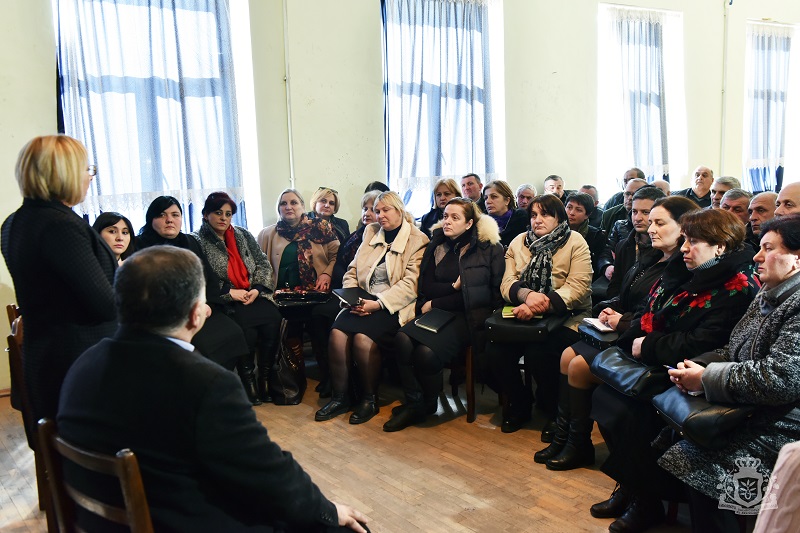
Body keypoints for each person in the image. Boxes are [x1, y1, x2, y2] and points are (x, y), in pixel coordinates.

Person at [56, 246, 369, 532]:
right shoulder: (206, 383)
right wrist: (328, 510)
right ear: (196, 313)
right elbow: (266, 474)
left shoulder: (82, 365)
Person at [590, 208, 760, 533]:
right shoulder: (689, 271)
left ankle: (646, 500)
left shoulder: (735, 286)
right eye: (684, 240)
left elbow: (704, 341)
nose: (684, 249)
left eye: (692, 242)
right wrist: (639, 338)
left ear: (720, 246)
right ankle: (632, 487)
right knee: (604, 396)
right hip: (663, 360)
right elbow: (653, 311)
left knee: (631, 412)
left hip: (690, 370)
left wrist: (648, 345)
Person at [658, 215, 800, 533]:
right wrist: (697, 366)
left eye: (768, 248)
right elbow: (735, 348)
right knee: (680, 437)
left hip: (786, 426)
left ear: (797, 258)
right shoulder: (770, 292)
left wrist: (707, 378)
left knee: (699, 459)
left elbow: (782, 379)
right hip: (755, 410)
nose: (757, 256)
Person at [536, 196, 697, 471]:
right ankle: (565, 436)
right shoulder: (651, 256)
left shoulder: (682, 267)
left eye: (659, 222)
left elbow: (658, 317)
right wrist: (611, 309)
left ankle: (577, 443)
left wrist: (622, 321)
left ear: (683, 227)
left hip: (640, 340)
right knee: (566, 356)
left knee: (577, 366)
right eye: (648, 220)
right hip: (626, 328)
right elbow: (629, 296)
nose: (649, 227)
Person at [1, 135, 117, 426]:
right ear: (64, 173)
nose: (90, 177)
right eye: (86, 169)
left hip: (47, 357)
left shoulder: (15, 221)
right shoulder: (59, 226)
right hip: (78, 362)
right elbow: (104, 305)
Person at [383, 197, 504, 432]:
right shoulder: (437, 244)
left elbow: (480, 296)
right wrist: (452, 287)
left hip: (469, 316)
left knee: (426, 353)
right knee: (402, 338)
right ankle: (416, 403)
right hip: (437, 311)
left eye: (455, 217)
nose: (447, 221)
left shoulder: (488, 248)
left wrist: (437, 301)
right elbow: (426, 286)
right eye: (446, 216)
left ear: (469, 223)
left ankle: (426, 403)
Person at [315, 191, 429, 425]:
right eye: (377, 211)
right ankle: (340, 397)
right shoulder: (371, 232)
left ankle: (370, 400)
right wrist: (350, 296)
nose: (380, 215)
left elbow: (410, 285)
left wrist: (378, 304)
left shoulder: (418, 240)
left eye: (386, 210)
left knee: (362, 339)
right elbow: (352, 270)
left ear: (400, 210)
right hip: (361, 299)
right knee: (337, 335)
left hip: (392, 305)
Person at [487, 194, 592, 434]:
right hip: (525, 314)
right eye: (533, 215)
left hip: (567, 314)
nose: (537, 220)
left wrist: (539, 305)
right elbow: (507, 282)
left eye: (545, 214)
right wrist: (526, 296)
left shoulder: (575, 241)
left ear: (559, 218)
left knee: (541, 353)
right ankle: (521, 403)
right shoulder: (519, 242)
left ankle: (553, 409)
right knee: (495, 351)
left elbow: (578, 287)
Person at [137, 196, 251, 375]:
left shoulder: (189, 242)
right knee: (203, 345)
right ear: (151, 219)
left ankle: (221, 382)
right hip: (169, 317)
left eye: (175, 215)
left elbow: (208, 278)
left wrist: (208, 304)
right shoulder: (140, 246)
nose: (169, 220)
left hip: (200, 307)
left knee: (234, 332)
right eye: (162, 215)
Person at [193, 192, 283, 405]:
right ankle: (247, 381)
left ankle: (265, 378)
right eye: (218, 213)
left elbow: (262, 263)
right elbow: (202, 276)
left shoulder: (242, 234)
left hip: (252, 292)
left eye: (228, 214)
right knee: (246, 330)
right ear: (205, 215)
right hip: (227, 299)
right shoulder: (197, 240)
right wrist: (229, 292)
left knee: (273, 320)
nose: (224, 218)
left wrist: (258, 289)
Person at [257, 189, 339, 398]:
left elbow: (337, 255)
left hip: (314, 294)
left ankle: (328, 377)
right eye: (283, 203)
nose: (288, 207)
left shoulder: (320, 229)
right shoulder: (267, 234)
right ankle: (293, 375)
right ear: (278, 208)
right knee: (288, 330)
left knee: (320, 326)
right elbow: (260, 266)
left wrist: (327, 274)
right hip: (282, 298)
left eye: (294, 202)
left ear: (303, 206)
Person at [310, 191, 381, 397]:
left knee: (331, 316)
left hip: (370, 294)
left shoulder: (382, 236)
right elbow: (341, 264)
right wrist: (346, 284)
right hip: (348, 289)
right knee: (318, 314)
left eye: (373, 209)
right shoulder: (355, 236)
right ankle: (328, 374)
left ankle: (348, 378)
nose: (367, 213)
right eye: (365, 208)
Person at [597, 179, 650, 281]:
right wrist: (607, 267)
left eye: (635, 194)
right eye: (627, 194)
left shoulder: (657, 231)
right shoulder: (619, 225)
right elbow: (606, 252)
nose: (630, 198)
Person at [565, 192, 606, 279]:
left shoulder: (596, 236)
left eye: (578, 210)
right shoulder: (553, 231)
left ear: (587, 215)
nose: (571, 213)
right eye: (569, 207)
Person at [482, 180, 528, 247]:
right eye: (486, 198)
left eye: (494, 197)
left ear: (507, 200)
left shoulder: (522, 219)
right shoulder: (481, 223)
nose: (488, 201)